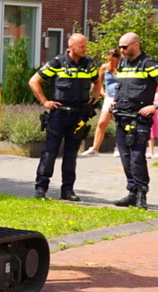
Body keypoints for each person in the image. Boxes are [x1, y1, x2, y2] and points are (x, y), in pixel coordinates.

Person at [29, 33, 100, 201]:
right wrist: (45, 102)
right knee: (50, 152)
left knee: (71, 154)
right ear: (72, 47)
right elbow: (34, 81)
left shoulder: (88, 63)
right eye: (82, 46)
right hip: (59, 115)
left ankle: (68, 190)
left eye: (85, 46)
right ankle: (41, 189)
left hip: (79, 115)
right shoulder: (57, 62)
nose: (85, 49)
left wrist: (95, 98)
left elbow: (97, 81)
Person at [111, 32, 158, 209]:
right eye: (120, 47)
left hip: (139, 119)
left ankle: (141, 193)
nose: (121, 50)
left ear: (136, 45)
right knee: (125, 157)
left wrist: (155, 106)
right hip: (122, 116)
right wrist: (115, 101)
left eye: (125, 47)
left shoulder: (148, 64)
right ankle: (131, 191)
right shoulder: (123, 63)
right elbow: (122, 86)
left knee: (137, 157)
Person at [82, 48, 121, 157]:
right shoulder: (104, 68)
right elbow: (98, 82)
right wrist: (102, 93)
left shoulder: (123, 68)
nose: (111, 62)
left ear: (118, 58)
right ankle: (95, 148)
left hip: (121, 98)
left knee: (119, 123)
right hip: (109, 97)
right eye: (109, 59)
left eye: (113, 60)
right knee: (102, 123)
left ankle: (119, 147)